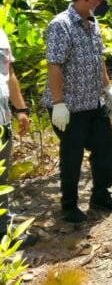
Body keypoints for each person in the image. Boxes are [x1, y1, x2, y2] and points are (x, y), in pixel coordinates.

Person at [43, 0, 112, 224]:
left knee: (104, 150)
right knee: (72, 155)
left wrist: (108, 87)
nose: (102, 3)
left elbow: (97, 57)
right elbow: (54, 65)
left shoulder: (93, 23)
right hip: (69, 107)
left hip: (93, 102)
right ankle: (69, 206)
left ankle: (100, 195)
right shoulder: (61, 25)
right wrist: (58, 103)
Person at [0, 28, 37, 247]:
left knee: (2, 173)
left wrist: (21, 109)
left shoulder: (1, 33)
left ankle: (3, 223)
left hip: (2, 115)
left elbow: (9, 73)